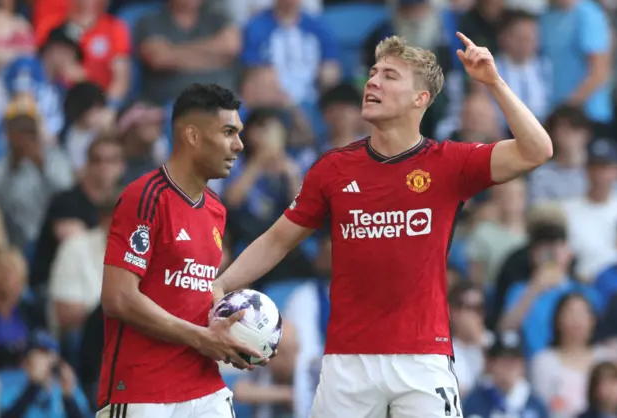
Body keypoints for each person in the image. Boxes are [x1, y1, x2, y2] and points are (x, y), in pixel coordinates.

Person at [213, 32, 553, 417]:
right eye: (372, 73)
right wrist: (223, 282)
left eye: (390, 76)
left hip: (423, 359)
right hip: (347, 362)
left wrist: (493, 82)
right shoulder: (333, 168)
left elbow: (537, 149)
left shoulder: (449, 162)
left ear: (420, 98)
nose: (372, 81)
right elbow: (277, 240)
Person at [97, 83, 263, 418]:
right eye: (229, 132)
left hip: (204, 386)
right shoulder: (144, 197)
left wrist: (243, 335)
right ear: (193, 136)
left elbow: (193, 292)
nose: (239, 145)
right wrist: (201, 338)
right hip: (143, 389)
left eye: (239, 133)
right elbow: (118, 298)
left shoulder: (216, 209)